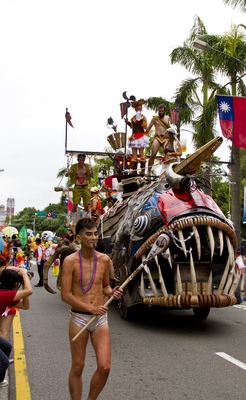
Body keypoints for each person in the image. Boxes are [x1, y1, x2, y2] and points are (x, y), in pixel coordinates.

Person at [61, 218, 123, 400]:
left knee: (105, 367)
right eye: (88, 234)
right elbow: (65, 295)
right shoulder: (70, 261)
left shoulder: (104, 260)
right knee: (78, 366)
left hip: (100, 320)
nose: (94, 237)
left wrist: (113, 292)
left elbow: (105, 287)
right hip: (79, 318)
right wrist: (90, 309)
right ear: (78, 237)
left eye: (95, 233)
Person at [0, 268, 33, 341]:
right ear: (15, 284)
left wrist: (24, 284)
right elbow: (29, 291)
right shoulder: (6, 294)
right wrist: (24, 274)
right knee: (4, 331)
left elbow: (25, 306)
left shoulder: (5, 294)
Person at [146, 104, 171, 175]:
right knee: (153, 154)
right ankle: (148, 171)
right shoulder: (155, 118)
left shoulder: (168, 118)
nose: (161, 112)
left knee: (168, 155)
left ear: (164, 111)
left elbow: (169, 128)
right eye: (159, 111)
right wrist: (144, 134)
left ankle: (167, 172)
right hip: (157, 137)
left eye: (162, 111)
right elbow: (148, 128)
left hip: (165, 138)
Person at [125, 99, 149, 174]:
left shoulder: (143, 117)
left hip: (141, 135)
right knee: (134, 153)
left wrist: (142, 121)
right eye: (137, 108)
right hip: (134, 136)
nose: (139, 109)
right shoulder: (133, 118)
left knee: (141, 152)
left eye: (140, 108)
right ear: (135, 109)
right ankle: (134, 170)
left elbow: (145, 127)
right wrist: (127, 122)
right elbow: (132, 126)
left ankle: (142, 170)